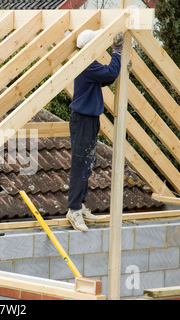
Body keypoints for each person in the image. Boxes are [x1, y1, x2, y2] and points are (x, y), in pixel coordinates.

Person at [66, 30, 124, 232]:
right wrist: (117, 52)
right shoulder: (86, 63)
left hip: (88, 119)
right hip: (83, 120)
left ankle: (79, 205)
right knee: (80, 163)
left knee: (88, 162)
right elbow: (109, 73)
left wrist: (119, 69)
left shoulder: (89, 65)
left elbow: (105, 79)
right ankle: (73, 210)